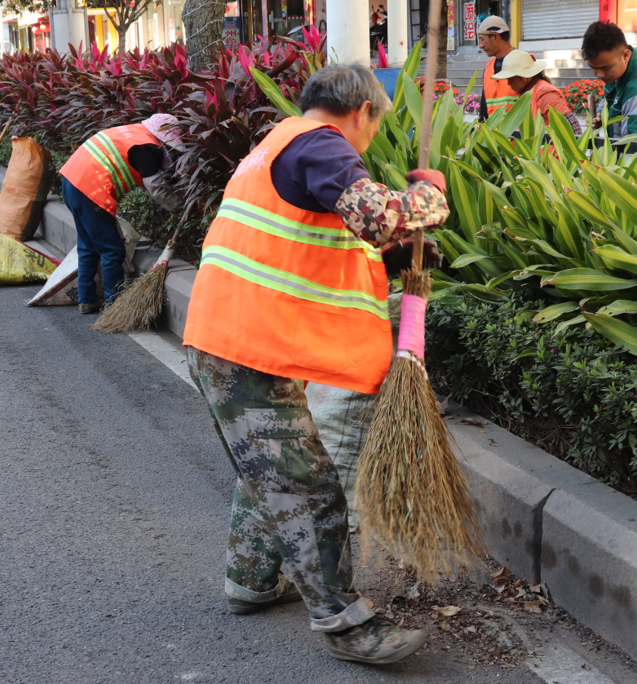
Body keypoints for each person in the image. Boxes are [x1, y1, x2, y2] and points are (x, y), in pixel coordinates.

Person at [181, 63, 450, 665]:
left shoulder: (276, 144)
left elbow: (321, 236)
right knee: (308, 486)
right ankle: (348, 624)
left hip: (236, 339)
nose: (368, 140)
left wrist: (390, 249)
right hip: (247, 346)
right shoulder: (323, 145)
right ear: (362, 113)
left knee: (272, 471)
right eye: (374, 127)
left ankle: (250, 580)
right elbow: (378, 214)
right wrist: (426, 196)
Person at [59, 113, 185, 314]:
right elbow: (157, 189)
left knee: (88, 247)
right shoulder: (147, 148)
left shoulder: (134, 133)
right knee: (112, 249)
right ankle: (113, 304)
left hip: (70, 182)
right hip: (90, 191)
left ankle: (87, 300)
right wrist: (181, 207)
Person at [490, 50, 583, 135]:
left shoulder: (545, 93)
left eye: (511, 78)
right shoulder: (529, 94)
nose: (508, 83)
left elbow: (572, 130)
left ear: (524, 76)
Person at [477, 16, 520, 121]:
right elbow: (484, 110)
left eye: (482, 39)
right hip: (493, 135)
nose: (480, 46)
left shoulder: (523, 62)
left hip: (519, 136)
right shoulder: (489, 67)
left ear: (495, 37)